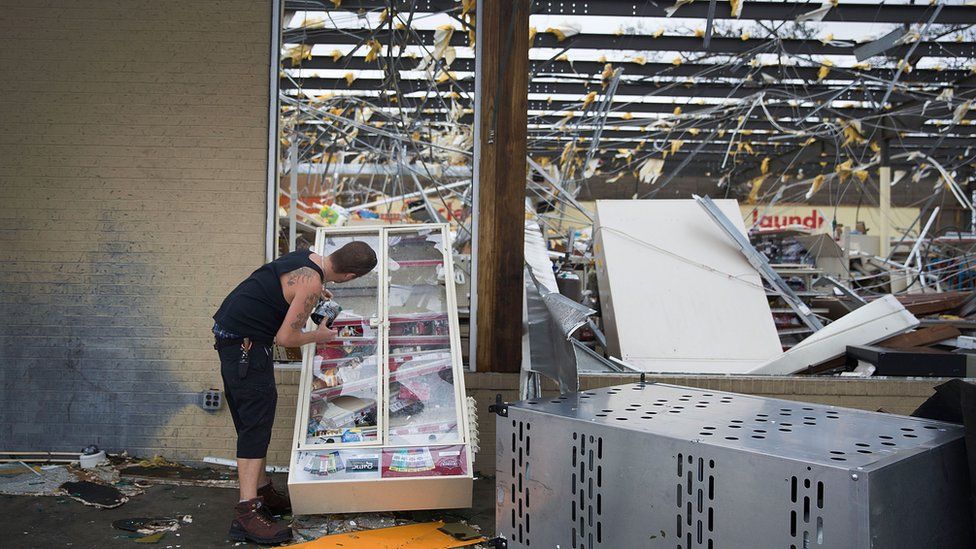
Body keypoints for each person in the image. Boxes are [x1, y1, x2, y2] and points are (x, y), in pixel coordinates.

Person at [212, 242, 377, 545]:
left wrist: (313, 296)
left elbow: (283, 290)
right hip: (247, 348)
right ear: (350, 275)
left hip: (234, 339)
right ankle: (247, 516)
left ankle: (262, 493)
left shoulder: (306, 258)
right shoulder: (312, 284)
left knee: (253, 422)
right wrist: (321, 334)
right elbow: (285, 337)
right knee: (255, 427)